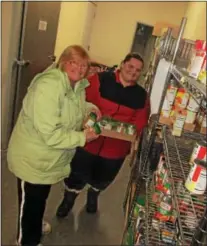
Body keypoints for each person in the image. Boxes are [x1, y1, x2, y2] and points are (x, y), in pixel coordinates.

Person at [7, 45, 101, 246]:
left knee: (39, 198)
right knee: (31, 202)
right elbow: (50, 134)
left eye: (83, 64)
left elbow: (74, 106)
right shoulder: (49, 87)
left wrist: (90, 108)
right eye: (73, 62)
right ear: (63, 62)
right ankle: (27, 240)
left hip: (48, 159)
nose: (79, 67)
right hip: (32, 159)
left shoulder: (74, 85)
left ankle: (35, 222)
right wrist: (82, 137)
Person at [56, 53, 150, 217]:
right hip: (88, 141)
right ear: (122, 64)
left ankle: (93, 196)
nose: (133, 72)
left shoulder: (141, 95)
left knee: (103, 177)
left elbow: (140, 122)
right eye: (130, 66)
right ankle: (68, 199)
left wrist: (132, 132)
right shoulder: (100, 79)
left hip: (116, 149)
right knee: (76, 173)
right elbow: (83, 101)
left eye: (138, 70)